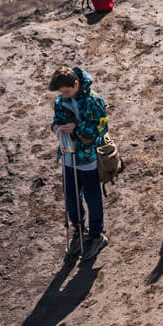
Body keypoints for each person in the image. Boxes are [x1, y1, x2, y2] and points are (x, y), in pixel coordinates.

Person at [49, 66, 109, 261]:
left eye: (66, 92)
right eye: (61, 93)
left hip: (88, 158)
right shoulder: (60, 101)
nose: (64, 96)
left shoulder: (94, 100)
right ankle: (79, 229)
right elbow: (55, 121)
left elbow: (101, 128)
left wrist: (77, 126)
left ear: (76, 84)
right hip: (68, 156)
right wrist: (57, 128)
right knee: (71, 197)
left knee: (93, 198)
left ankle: (96, 235)